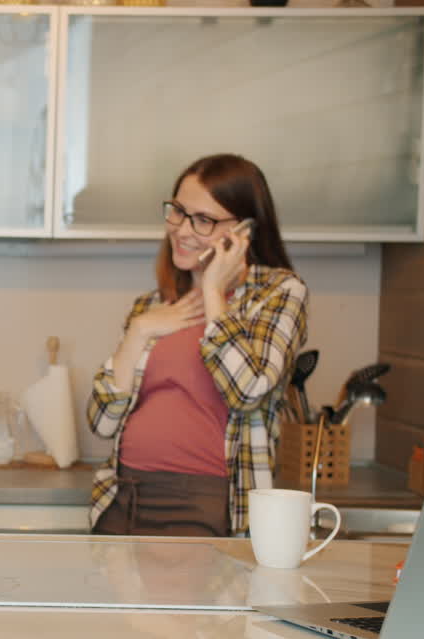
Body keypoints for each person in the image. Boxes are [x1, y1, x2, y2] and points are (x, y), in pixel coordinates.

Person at [87, 154, 308, 537]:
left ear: (244, 231)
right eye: (178, 212)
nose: (182, 230)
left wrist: (212, 291)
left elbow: (249, 390)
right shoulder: (152, 306)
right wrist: (138, 330)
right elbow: (102, 422)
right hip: (124, 496)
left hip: (207, 501)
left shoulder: (279, 293)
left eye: (203, 220)